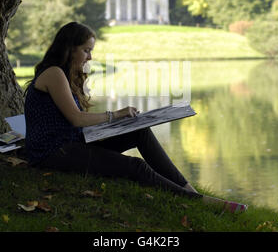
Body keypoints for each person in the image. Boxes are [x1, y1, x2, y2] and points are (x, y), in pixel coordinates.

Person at [23, 21, 248, 214]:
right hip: (53, 153)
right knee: (135, 167)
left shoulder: (64, 74)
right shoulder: (53, 74)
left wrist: (119, 124)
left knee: (139, 130)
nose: (90, 57)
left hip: (73, 144)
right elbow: (76, 119)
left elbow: (76, 123)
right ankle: (199, 202)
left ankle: (189, 190)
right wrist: (115, 115)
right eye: (86, 50)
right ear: (69, 48)